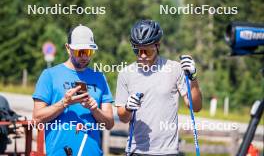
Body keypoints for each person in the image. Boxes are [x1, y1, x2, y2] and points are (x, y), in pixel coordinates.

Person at [115, 20, 202, 155]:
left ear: (158, 46)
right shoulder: (125, 73)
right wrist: (127, 108)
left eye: (148, 51)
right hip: (137, 151)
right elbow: (123, 118)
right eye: (137, 50)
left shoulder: (175, 69)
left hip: (168, 152)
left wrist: (193, 78)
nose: (142, 56)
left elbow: (195, 107)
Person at [32, 24, 114, 156]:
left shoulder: (100, 78)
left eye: (89, 52)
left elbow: (109, 124)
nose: (85, 57)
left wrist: (95, 110)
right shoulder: (49, 75)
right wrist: (64, 103)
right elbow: (37, 119)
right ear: (67, 48)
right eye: (80, 52)